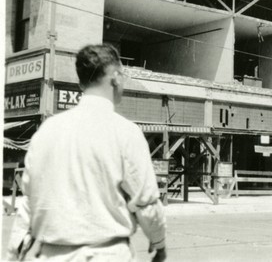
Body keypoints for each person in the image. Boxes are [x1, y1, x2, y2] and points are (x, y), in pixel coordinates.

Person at [7, 44, 167, 261]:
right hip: (107, 253)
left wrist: (14, 254)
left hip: (51, 254)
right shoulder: (126, 132)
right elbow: (146, 203)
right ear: (116, 78)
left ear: (82, 82)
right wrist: (159, 243)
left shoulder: (47, 131)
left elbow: (29, 201)